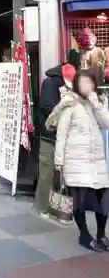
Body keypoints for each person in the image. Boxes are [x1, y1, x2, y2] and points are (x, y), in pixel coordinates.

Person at [47, 69, 109, 251]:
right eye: (81, 83)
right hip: (75, 161)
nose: (85, 86)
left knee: (103, 200)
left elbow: (106, 124)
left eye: (88, 82)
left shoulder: (98, 102)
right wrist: (59, 162)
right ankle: (84, 235)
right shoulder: (69, 104)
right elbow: (62, 135)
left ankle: (101, 234)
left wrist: (96, 104)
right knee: (79, 201)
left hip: (96, 160)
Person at [35, 63, 76, 216]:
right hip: (48, 136)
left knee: (56, 174)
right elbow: (48, 108)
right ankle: (42, 208)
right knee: (46, 173)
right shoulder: (49, 84)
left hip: (58, 137)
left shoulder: (61, 85)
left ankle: (52, 206)